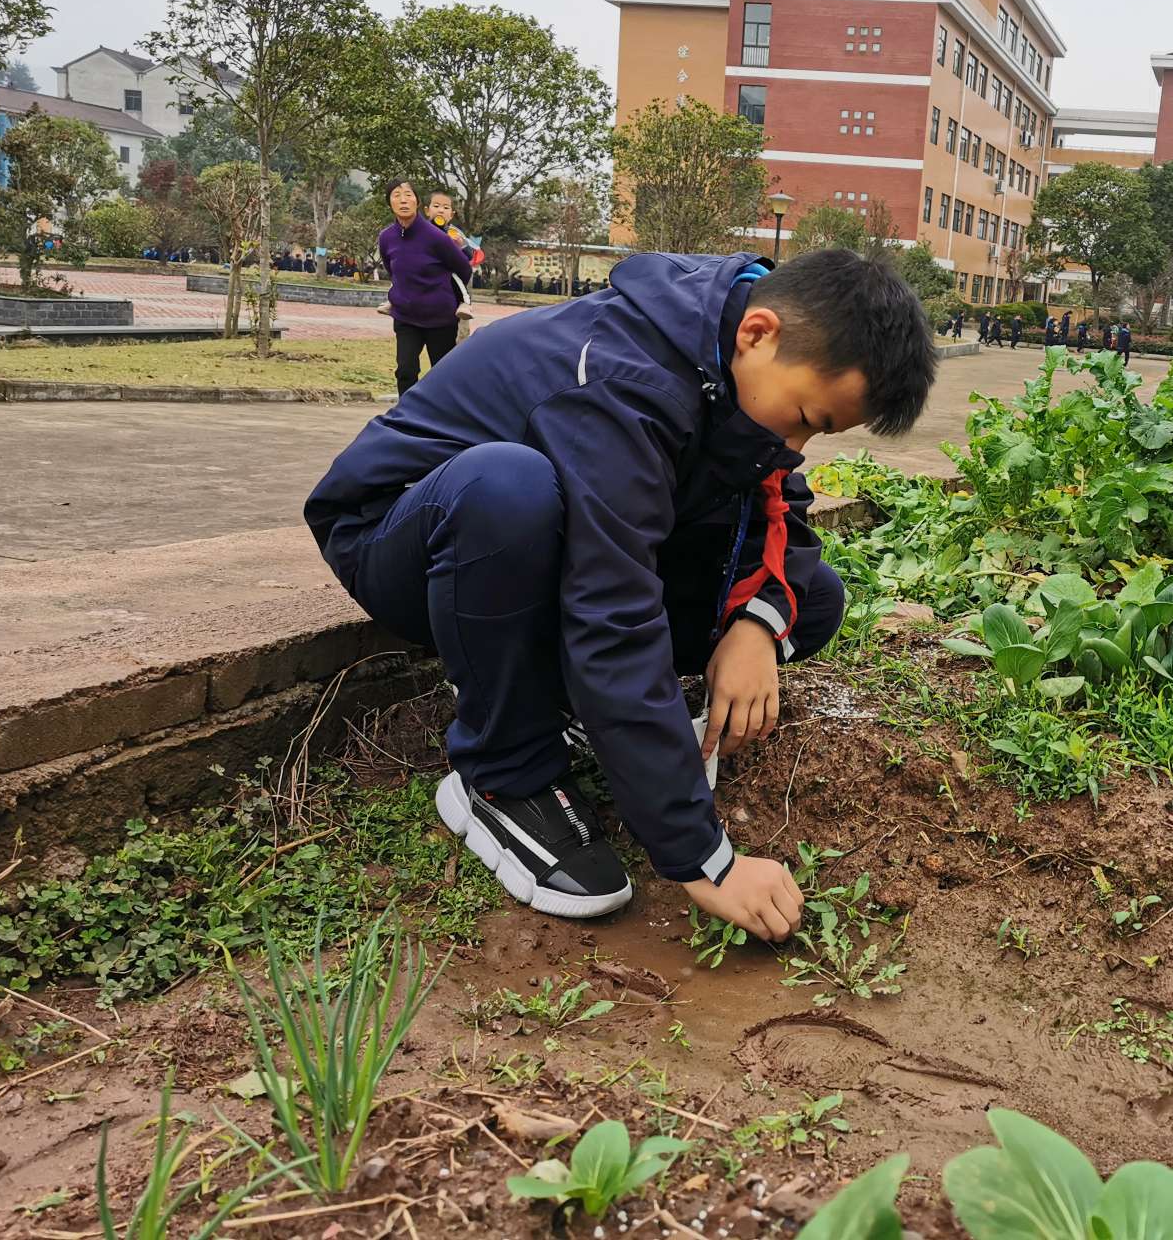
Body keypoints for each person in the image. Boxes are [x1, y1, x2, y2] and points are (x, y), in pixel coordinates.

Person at [304, 249, 937, 938]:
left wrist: (753, 625)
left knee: (810, 601)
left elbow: (780, 510)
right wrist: (706, 859)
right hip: (410, 538)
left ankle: (571, 699)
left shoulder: (733, 370)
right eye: (807, 417)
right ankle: (500, 773)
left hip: (547, 546)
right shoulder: (618, 376)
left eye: (818, 431)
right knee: (506, 488)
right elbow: (613, 611)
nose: (798, 442)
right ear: (758, 332)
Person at [378, 179, 473, 398]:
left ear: (418, 202)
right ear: (389, 202)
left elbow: (463, 269)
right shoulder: (386, 237)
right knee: (405, 371)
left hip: (440, 318)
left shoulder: (437, 237)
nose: (403, 200)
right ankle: (407, 418)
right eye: (396, 195)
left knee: (442, 374)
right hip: (405, 317)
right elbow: (393, 270)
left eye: (408, 194)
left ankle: (441, 420)